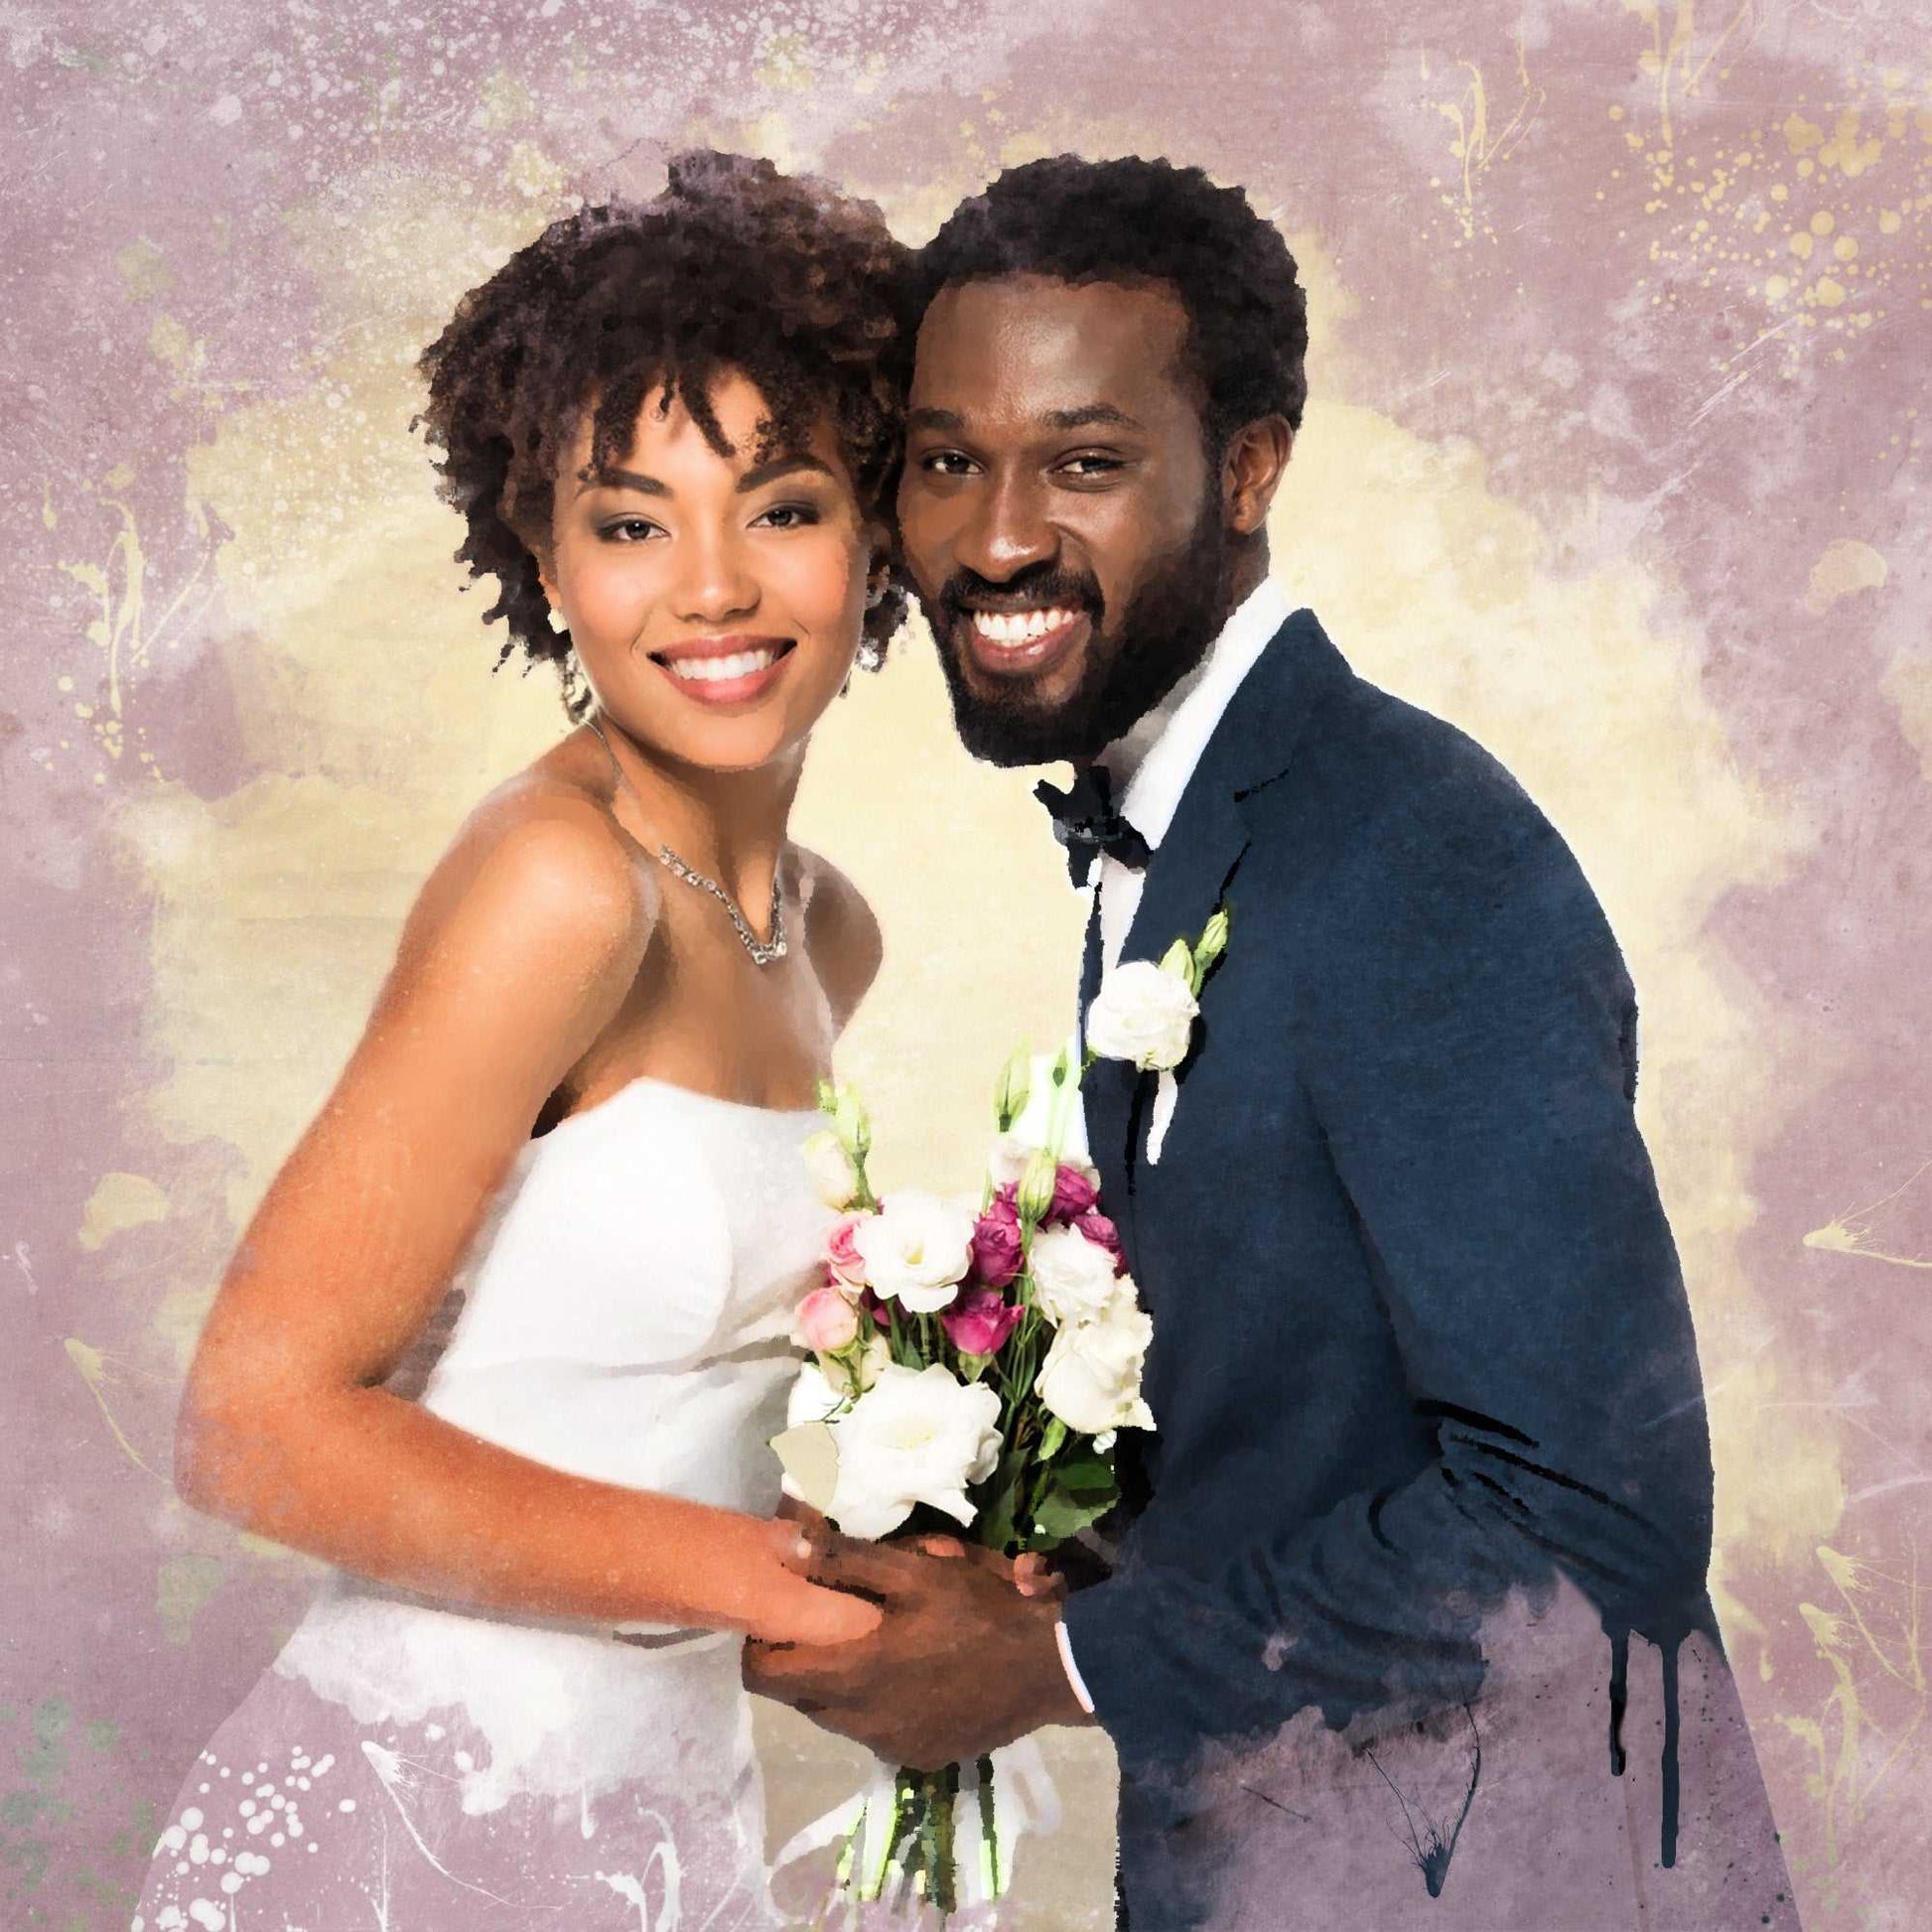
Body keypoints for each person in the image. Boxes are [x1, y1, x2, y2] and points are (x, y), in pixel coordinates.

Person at [747, 156, 1802, 1931]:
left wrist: (1058, 1663)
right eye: (948, 461)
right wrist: (1056, 1535)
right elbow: (1328, 1398)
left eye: (1084, 462)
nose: (996, 538)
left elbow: (1585, 1522)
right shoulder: (1187, 815)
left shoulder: (1415, 852)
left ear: (1245, 468)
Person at [133, 152, 920, 1932]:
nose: (708, 588)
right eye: (630, 523)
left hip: (660, 1823)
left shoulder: (829, 926)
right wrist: (771, 1577)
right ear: (544, 563)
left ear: (876, 530)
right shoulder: (562, 883)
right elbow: (253, 1425)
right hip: (408, 1831)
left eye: (780, 505)